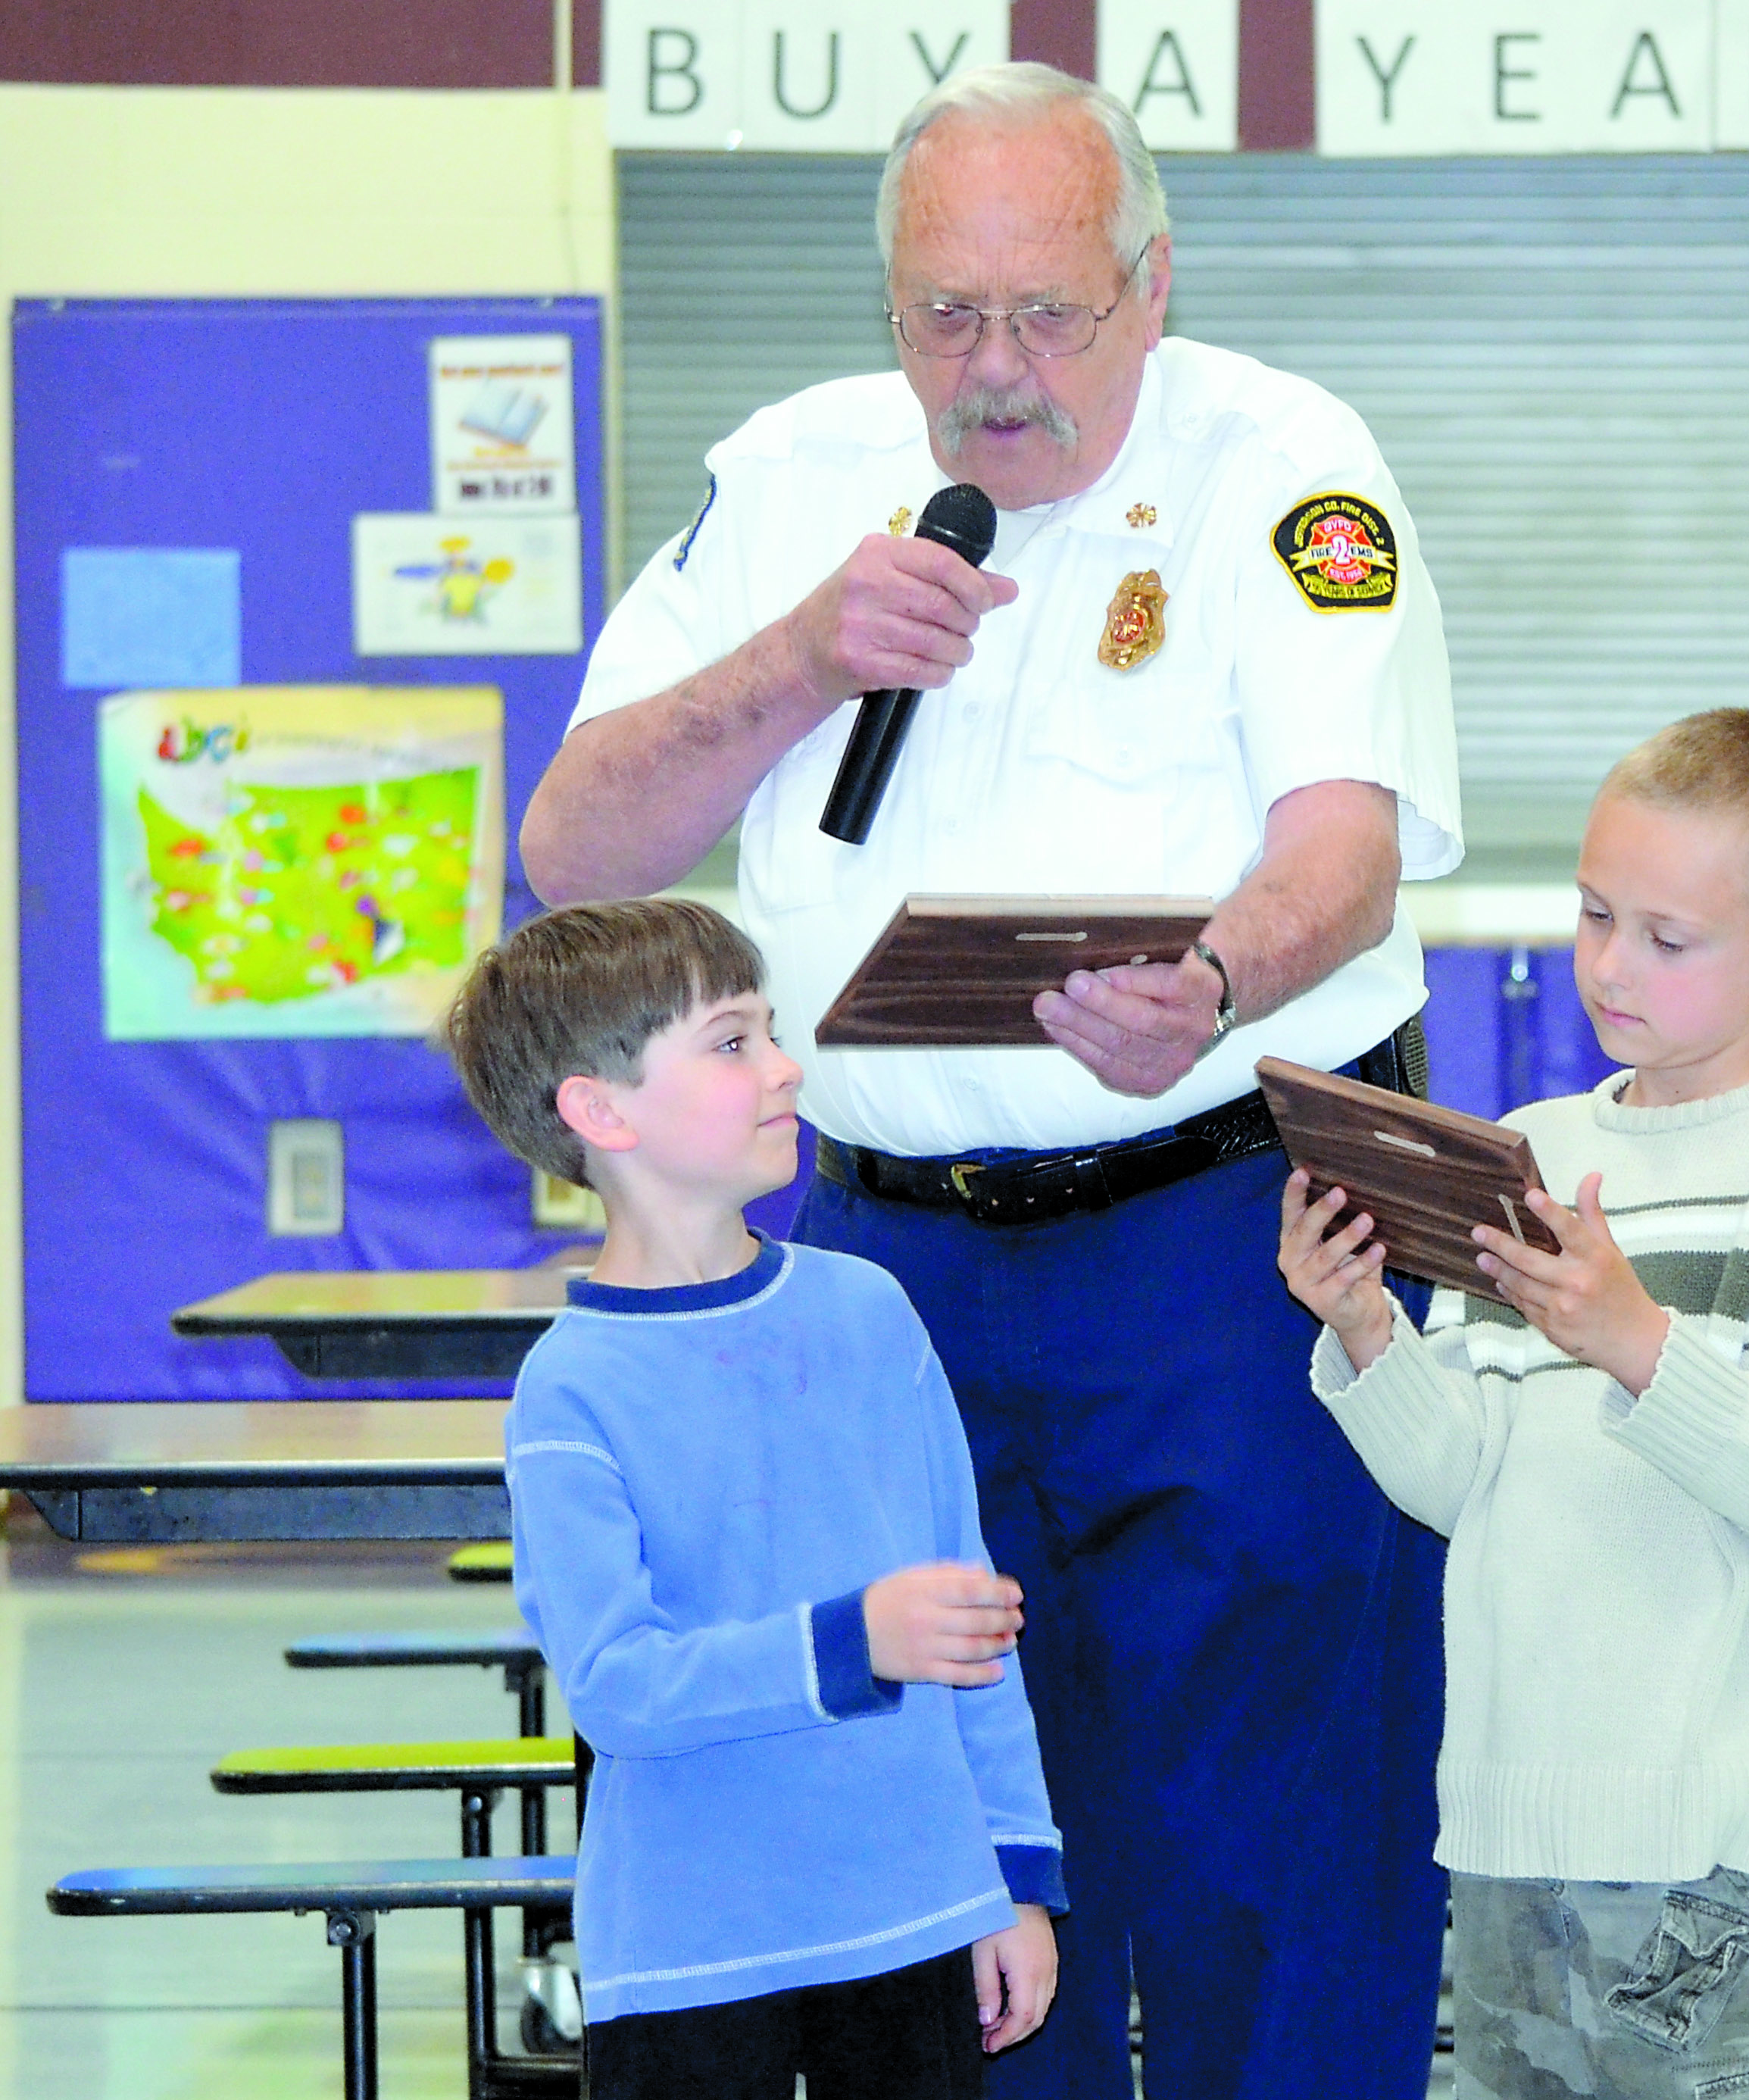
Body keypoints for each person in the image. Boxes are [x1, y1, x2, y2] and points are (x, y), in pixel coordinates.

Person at [519, 61, 1461, 2100]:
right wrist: (796, 659)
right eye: (947, 317)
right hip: (887, 1275)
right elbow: (573, 849)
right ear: (888, 308)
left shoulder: (1288, 465)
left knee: (1272, 1842)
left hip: (1237, 1234)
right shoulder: (791, 474)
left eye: (1051, 315)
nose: (998, 369)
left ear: (1151, 281)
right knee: (949, 1850)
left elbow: (1344, 848)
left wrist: (1219, 973)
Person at [1279, 709, 1749, 2100]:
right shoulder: (1549, 1149)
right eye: (1590, 915)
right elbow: (1467, 1484)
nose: (1609, 967)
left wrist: (1635, 1341)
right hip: (1512, 1829)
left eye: (1666, 938)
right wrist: (1364, 1329)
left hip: (1718, 1845)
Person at [445, 897, 1065, 2099]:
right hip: (691, 1958)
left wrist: (1012, 1874)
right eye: (733, 1042)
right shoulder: (572, 1386)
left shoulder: (869, 1312)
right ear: (599, 1109)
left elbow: (976, 1628)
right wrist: (849, 1643)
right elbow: (616, 1688)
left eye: (772, 1031)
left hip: (919, 1922)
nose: (785, 1068)